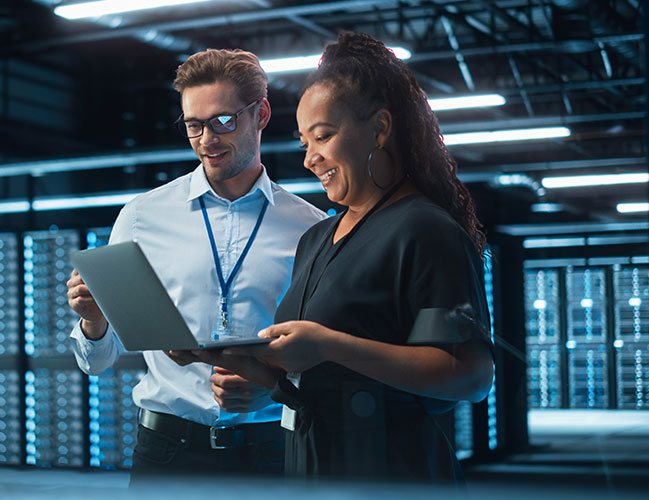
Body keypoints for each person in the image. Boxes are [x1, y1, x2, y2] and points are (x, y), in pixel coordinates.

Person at [193, 32, 495, 483]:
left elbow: (469, 376)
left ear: (379, 128)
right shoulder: (316, 238)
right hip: (312, 469)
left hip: (393, 474)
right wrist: (261, 379)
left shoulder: (425, 231)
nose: (310, 159)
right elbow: (322, 378)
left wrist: (328, 344)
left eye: (324, 137)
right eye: (304, 144)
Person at [66, 48, 326, 480]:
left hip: (272, 454)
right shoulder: (141, 217)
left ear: (260, 114)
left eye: (223, 121)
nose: (207, 140)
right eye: (193, 125)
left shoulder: (311, 228)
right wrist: (95, 322)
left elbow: (324, 355)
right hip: (166, 454)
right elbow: (97, 361)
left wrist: (273, 388)